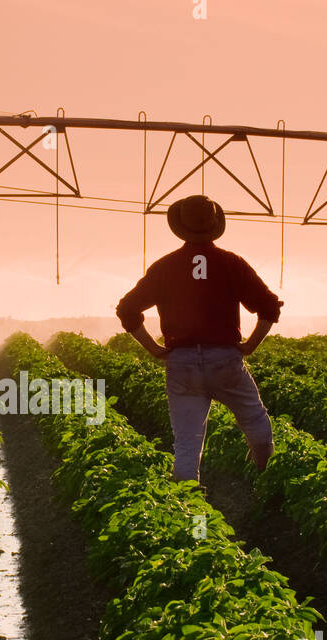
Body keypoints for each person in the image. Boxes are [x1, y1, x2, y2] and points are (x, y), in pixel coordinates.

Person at [115, 194, 283, 483]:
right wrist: (251, 344)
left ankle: (187, 508)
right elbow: (269, 306)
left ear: (180, 227)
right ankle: (265, 481)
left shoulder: (165, 267)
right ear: (215, 225)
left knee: (187, 442)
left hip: (182, 363)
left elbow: (127, 310)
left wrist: (154, 348)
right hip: (224, 360)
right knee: (255, 420)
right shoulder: (231, 263)